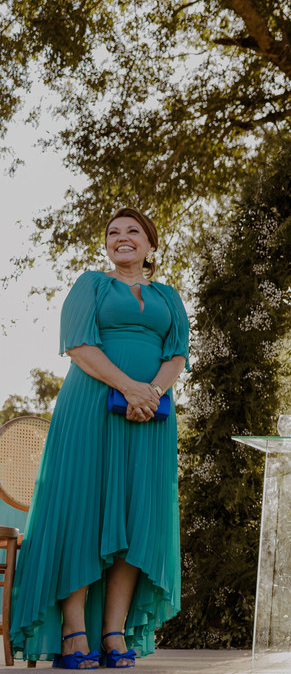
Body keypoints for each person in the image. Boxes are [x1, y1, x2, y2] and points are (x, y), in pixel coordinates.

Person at [11, 207, 188, 669]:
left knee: (138, 518)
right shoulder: (90, 284)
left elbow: (176, 355)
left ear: (151, 245)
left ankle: (114, 632)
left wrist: (151, 393)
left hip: (150, 417)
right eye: (113, 232)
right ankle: (74, 633)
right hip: (90, 409)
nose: (122, 238)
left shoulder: (169, 297)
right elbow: (77, 344)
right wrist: (128, 386)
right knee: (81, 513)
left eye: (133, 231)